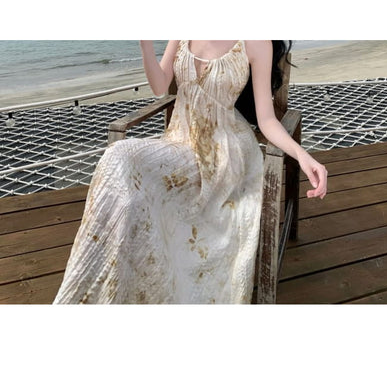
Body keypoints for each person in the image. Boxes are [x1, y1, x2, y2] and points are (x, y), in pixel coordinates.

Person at [53, 40, 327, 305]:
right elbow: (160, 86)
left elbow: (266, 120)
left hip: (225, 153)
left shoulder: (255, 42)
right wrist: (145, 44)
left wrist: (303, 155)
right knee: (118, 158)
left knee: (133, 182)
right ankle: (98, 285)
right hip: (179, 143)